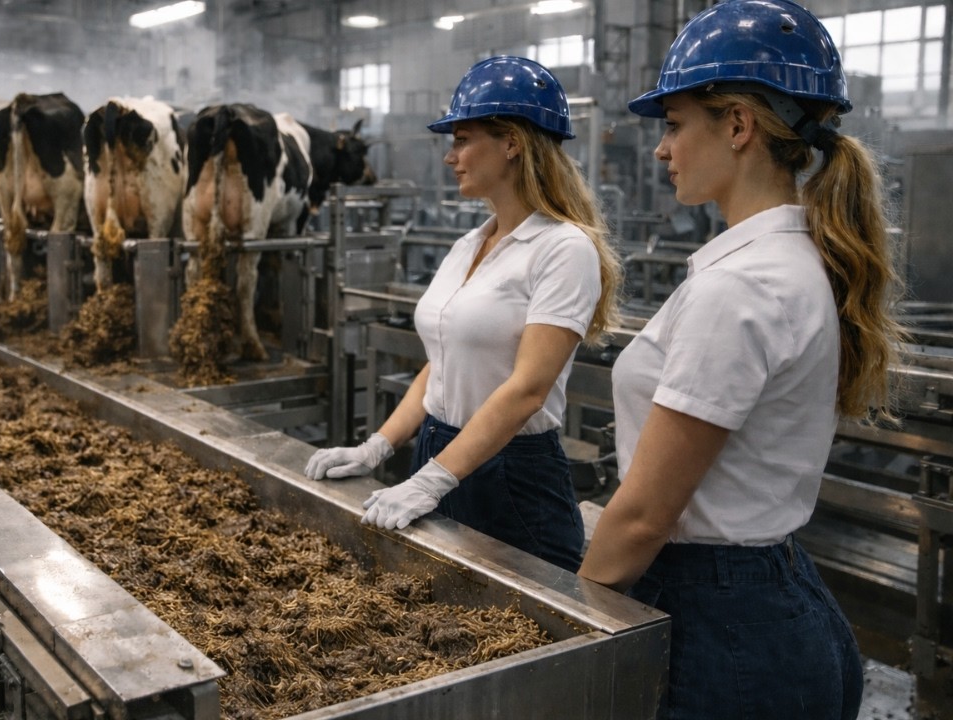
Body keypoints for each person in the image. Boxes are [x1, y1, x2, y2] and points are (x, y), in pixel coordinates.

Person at [577, 0, 905, 717]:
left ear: (737, 126)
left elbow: (644, 518)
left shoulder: (742, 285)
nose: (661, 149)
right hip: (776, 598)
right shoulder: (792, 261)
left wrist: (568, 624)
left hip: (723, 635)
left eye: (674, 124)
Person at [305, 56, 623, 573]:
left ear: (512, 143)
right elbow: (442, 361)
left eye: (462, 140)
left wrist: (432, 479)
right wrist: (378, 447)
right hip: (436, 446)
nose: (451, 157)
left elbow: (527, 389)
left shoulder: (563, 248)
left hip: (512, 472)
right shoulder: (467, 245)